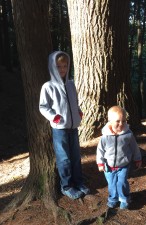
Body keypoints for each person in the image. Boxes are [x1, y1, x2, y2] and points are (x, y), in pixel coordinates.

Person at [39, 51, 90, 200]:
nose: (62, 69)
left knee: (75, 157)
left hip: (73, 127)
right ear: (52, 67)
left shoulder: (71, 84)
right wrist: (53, 117)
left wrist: (79, 112)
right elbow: (43, 106)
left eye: (65, 66)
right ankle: (66, 186)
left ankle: (79, 182)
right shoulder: (48, 86)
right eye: (58, 66)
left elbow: (74, 102)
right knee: (64, 159)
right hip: (59, 129)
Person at [96, 106, 142, 209]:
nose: (121, 124)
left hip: (123, 165)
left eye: (123, 121)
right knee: (111, 184)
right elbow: (100, 150)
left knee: (121, 183)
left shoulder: (128, 134)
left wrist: (137, 158)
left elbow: (135, 147)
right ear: (110, 121)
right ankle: (113, 198)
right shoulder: (105, 136)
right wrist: (100, 163)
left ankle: (124, 198)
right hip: (109, 166)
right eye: (117, 121)